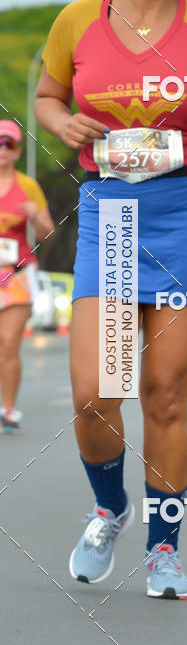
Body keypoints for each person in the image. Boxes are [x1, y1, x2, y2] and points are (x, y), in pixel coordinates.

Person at [34, 0, 187, 597]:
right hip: (112, 215)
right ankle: (111, 507)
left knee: (162, 393)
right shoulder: (75, 23)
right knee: (97, 392)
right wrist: (62, 125)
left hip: (186, 211)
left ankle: (164, 548)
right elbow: (48, 97)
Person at [0, 121, 55, 431]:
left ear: (18, 150)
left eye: (9, 144)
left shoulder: (28, 185)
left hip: (17, 274)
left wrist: (35, 216)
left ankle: (8, 408)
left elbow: (48, 234)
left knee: (8, 344)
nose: (3, 150)